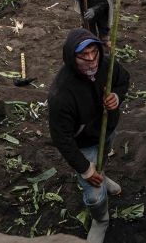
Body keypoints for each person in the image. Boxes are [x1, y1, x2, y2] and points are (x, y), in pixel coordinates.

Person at [48, 29, 129, 243]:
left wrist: (116, 97)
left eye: (94, 52)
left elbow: (124, 79)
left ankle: (101, 172)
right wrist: (84, 169)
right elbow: (61, 138)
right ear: (71, 58)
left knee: (103, 158)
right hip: (83, 143)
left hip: (107, 129)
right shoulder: (61, 94)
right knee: (93, 195)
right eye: (83, 56)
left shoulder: (106, 64)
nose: (91, 60)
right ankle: (100, 219)